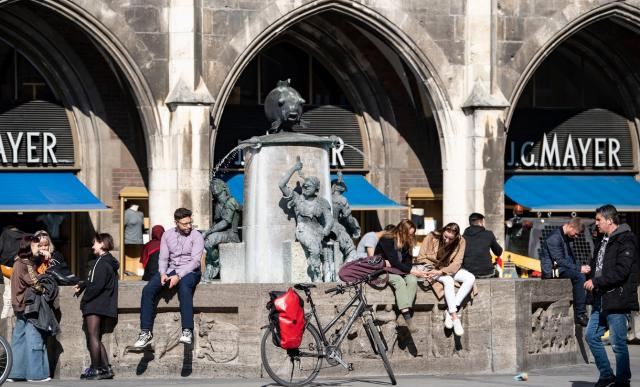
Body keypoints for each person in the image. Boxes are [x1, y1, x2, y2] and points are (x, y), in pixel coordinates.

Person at [133, 208, 204, 348]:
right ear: (176, 222)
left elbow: (195, 261)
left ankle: (187, 330)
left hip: (191, 271)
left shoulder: (197, 236)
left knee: (184, 288)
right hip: (171, 269)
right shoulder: (167, 235)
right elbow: (163, 258)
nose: (188, 226)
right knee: (148, 290)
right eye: (185, 224)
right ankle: (145, 332)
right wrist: (162, 273)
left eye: (190, 222)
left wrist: (178, 276)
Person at [584, 204, 638, 387]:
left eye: (599, 220)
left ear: (610, 220)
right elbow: (600, 267)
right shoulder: (603, 241)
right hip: (600, 298)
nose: (596, 223)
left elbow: (622, 271)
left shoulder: (626, 240)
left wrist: (596, 281)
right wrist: (590, 274)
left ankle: (623, 381)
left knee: (618, 343)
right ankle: (607, 375)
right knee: (591, 335)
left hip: (617, 298)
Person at [415, 222, 475, 336]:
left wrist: (442, 271)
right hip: (430, 268)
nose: (447, 240)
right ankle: (455, 318)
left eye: (451, 239)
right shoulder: (431, 237)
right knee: (448, 280)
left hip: (447, 269)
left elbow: (457, 262)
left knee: (470, 278)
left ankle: (450, 311)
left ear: (456, 237)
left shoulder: (461, 241)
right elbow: (421, 257)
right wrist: (435, 269)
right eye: (446, 237)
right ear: (443, 231)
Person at [279, 157, 333, 282]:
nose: (306, 186)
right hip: (303, 229)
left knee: (325, 251)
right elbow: (281, 185)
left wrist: (326, 229)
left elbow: (329, 219)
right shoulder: (297, 199)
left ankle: (328, 274)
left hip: (318, 230)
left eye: (310, 185)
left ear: (316, 189)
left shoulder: (322, 202)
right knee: (314, 248)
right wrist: (294, 168)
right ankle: (316, 274)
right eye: (305, 184)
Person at [74, 233, 118, 380]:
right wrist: (83, 284)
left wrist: (84, 300)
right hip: (104, 303)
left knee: (92, 336)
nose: (92, 246)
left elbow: (96, 285)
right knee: (97, 337)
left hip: (95, 303)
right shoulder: (109, 261)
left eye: (95, 243)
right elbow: (94, 280)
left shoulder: (100, 262)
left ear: (101, 243)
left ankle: (96, 369)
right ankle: (106, 369)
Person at [8, 235, 51, 382]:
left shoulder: (18, 261)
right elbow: (36, 284)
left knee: (18, 340)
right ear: (28, 247)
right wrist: (45, 289)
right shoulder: (26, 263)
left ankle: (15, 373)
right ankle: (35, 374)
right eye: (36, 246)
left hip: (18, 305)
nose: (39, 249)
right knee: (34, 338)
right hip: (28, 306)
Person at [374, 219, 425, 333]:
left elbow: (407, 262)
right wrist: (411, 270)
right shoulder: (386, 239)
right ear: (401, 231)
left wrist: (412, 271)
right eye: (409, 234)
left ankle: (404, 313)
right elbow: (394, 261)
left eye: (412, 234)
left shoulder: (406, 242)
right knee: (399, 282)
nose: (410, 236)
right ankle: (407, 317)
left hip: (398, 270)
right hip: (382, 270)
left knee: (412, 280)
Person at [540, 218, 590, 327]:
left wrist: (581, 267)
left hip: (561, 268)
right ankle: (580, 314)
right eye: (576, 234)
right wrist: (579, 268)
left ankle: (589, 305)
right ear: (570, 227)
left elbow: (569, 259)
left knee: (588, 275)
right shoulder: (554, 238)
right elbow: (560, 261)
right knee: (579, 276)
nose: (576, 237)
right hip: (552, 271)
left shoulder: (566, 236)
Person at [202, 179, 240, 282]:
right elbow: (216, 223)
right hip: (223, 233)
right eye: (212, 185)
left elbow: (226, 222)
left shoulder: (231, 201)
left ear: (223, 187)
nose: (213, 187)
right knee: (207, 242)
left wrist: (208, 232)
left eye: (216, 184)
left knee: (210, 240)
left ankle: (215, 263)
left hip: (231, 234)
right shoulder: (218, 205)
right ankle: (212, 265)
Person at [461, 213, 503, 278]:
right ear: (480, 222)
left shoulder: (462, 237)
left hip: (468, 273)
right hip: (487, 272)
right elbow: (498, 252)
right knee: (497, 272)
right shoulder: (488, 234)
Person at [0, 225, 26, 319]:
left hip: (6, 268)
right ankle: (13, 313)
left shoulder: (5, 235)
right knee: (17, 290)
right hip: (21, 267)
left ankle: (5, 314)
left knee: (8, 289)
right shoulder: (24, 236)